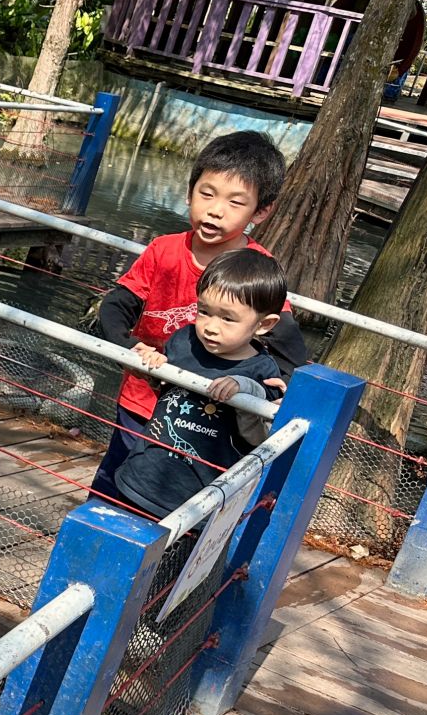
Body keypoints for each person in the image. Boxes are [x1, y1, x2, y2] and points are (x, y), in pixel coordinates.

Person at [88, 130, 308, 502]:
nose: (215, 210)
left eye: (235, 202)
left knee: (180, 502)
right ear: (190, 192)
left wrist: (284, 391)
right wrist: (131, 348)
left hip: (205, 421)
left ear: (261, 211)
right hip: (142, 400)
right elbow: (115, 307)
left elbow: (287, 345)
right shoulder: (163, 251)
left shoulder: (256, 271)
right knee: (114, 486)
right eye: (207, 194)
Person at [107, 250, 290, 519]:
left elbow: (258, 433)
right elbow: (164, 387)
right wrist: (154, 364)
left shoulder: (262, 371)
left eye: (228, 318)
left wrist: (245, 388)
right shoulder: (184, 340)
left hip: (200, 499)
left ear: (264, 324)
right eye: (203, 311)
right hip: (142, 477)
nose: (211, 327)